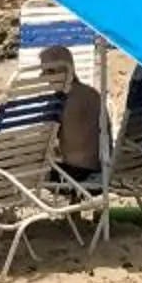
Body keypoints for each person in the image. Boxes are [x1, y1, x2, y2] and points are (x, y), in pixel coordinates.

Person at [34, 44, 107, 183]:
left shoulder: (58, 102)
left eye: (46, 71)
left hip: (73, 175)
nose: (42, 76)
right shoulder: (93, 94)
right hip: (100, 170)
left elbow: (41, 146)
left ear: (61, 70)